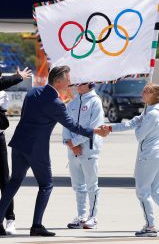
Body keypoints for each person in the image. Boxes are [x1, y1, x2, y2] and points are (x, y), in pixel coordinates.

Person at [0, 66, 108, 237]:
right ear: (58, 81)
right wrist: (95, 131)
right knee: (46, 185)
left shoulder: (32, 92)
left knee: (14, 182)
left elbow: (26, 116)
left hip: (19, 143)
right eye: (67, 79)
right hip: (37, 150)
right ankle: (36, 226)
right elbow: (73, 126)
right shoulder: (56, 103)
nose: (70, 82)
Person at [105, 83, 159, 237]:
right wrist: (111, 128)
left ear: (155, 95)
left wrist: (140, 123)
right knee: (158, 191)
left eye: (146, 92)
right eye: (143, 91)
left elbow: (139, 135)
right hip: (158, 154)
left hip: (149, 156)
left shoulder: (152, 114)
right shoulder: (155, 111)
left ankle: (150, 226)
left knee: (142, 192)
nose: (142, 94)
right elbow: (132, 123)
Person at [63, 82, 104, 229]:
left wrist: (76, 142)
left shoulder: (95, 101)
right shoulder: (72, 102)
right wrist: (70, 144)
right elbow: (66, 124)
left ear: (90, 84)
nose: (77, 85)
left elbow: (94, 127)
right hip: (73, 151)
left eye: (82, 83)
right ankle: (81, 215)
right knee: (78, 185)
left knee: (92, 185)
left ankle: (93, 217)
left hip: (89, 150)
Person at [0, 67, 32, 235]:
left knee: (5, 180)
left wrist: (17, 77)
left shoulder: (2, 94)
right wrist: (17, 77)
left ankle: (10, 218)